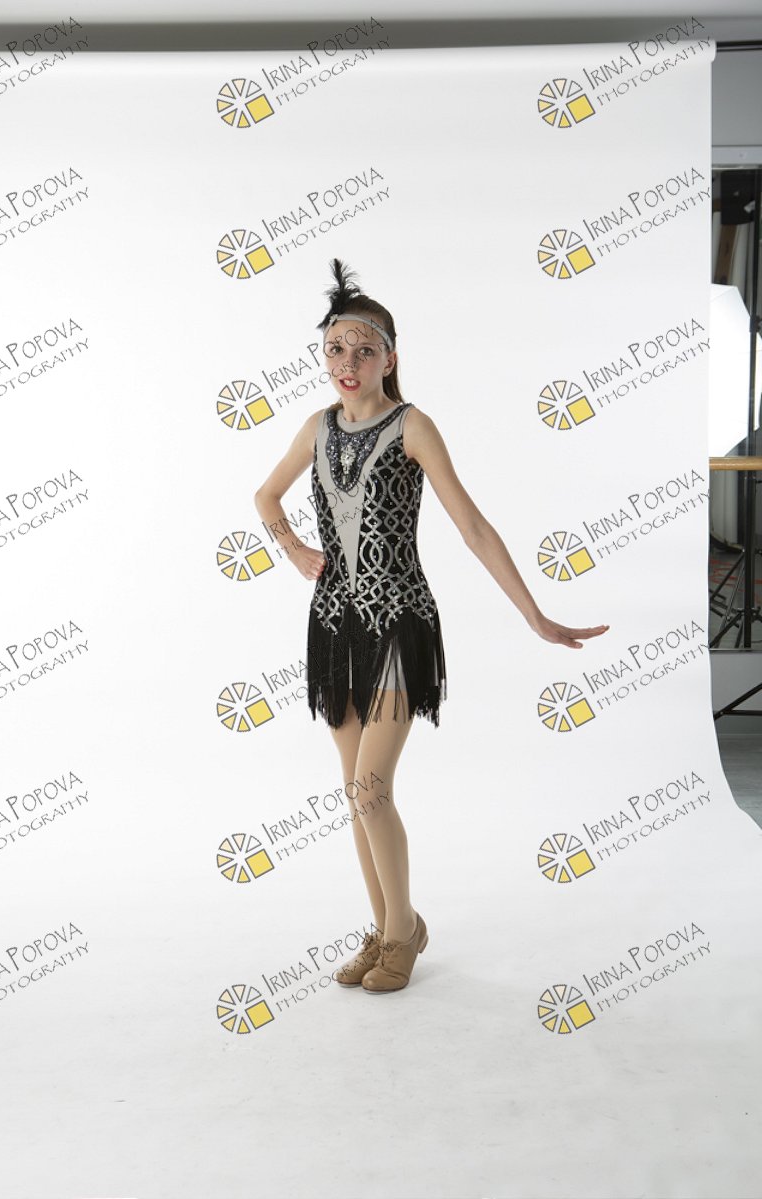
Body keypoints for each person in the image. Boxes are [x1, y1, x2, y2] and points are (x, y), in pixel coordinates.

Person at [254, 258, 609, 996]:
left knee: (371, 787)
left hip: (398, 622)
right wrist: (294, 549)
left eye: (364, 350)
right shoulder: (315, 429)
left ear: (390, 358)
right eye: (335, 348)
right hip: (334, 623)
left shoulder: (413, 426)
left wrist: (535, 615)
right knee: (353, 791)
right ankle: (386, 926)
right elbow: (265, 495)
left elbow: (472, 526)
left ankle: (401, 933)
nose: (348, 363)